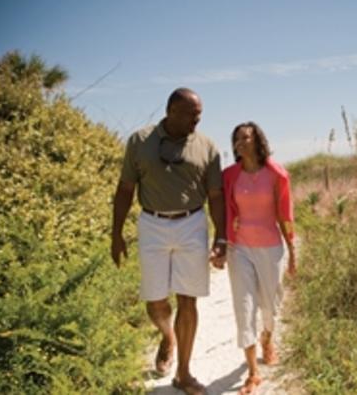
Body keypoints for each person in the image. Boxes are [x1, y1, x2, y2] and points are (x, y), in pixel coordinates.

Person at [111, 87, 226, 395]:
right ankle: (167, 336)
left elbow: (216, 196)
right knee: (155, 300)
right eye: (192, 114)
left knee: (188, 299)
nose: (197, 121)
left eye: (199, 115)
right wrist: (116, 234)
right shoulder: (139, 141)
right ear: (172, 110)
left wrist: (222, 237)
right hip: (152, 224)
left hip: (192, 224)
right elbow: (124, 190)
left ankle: (184, 373)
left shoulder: (207, 147)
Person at [222, 121, 296, 394]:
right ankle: (253, 372)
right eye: (237, 139)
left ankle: (267, 337)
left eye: (246, 137)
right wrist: (221, 242)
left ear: (257, 141)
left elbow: (285, 215)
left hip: (271, 248)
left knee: (270, 306)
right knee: (244, 308)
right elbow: (221, 210)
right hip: (239, 249)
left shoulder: (277, 174)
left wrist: (292, 251)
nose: (240, 142)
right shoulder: (229, 175)